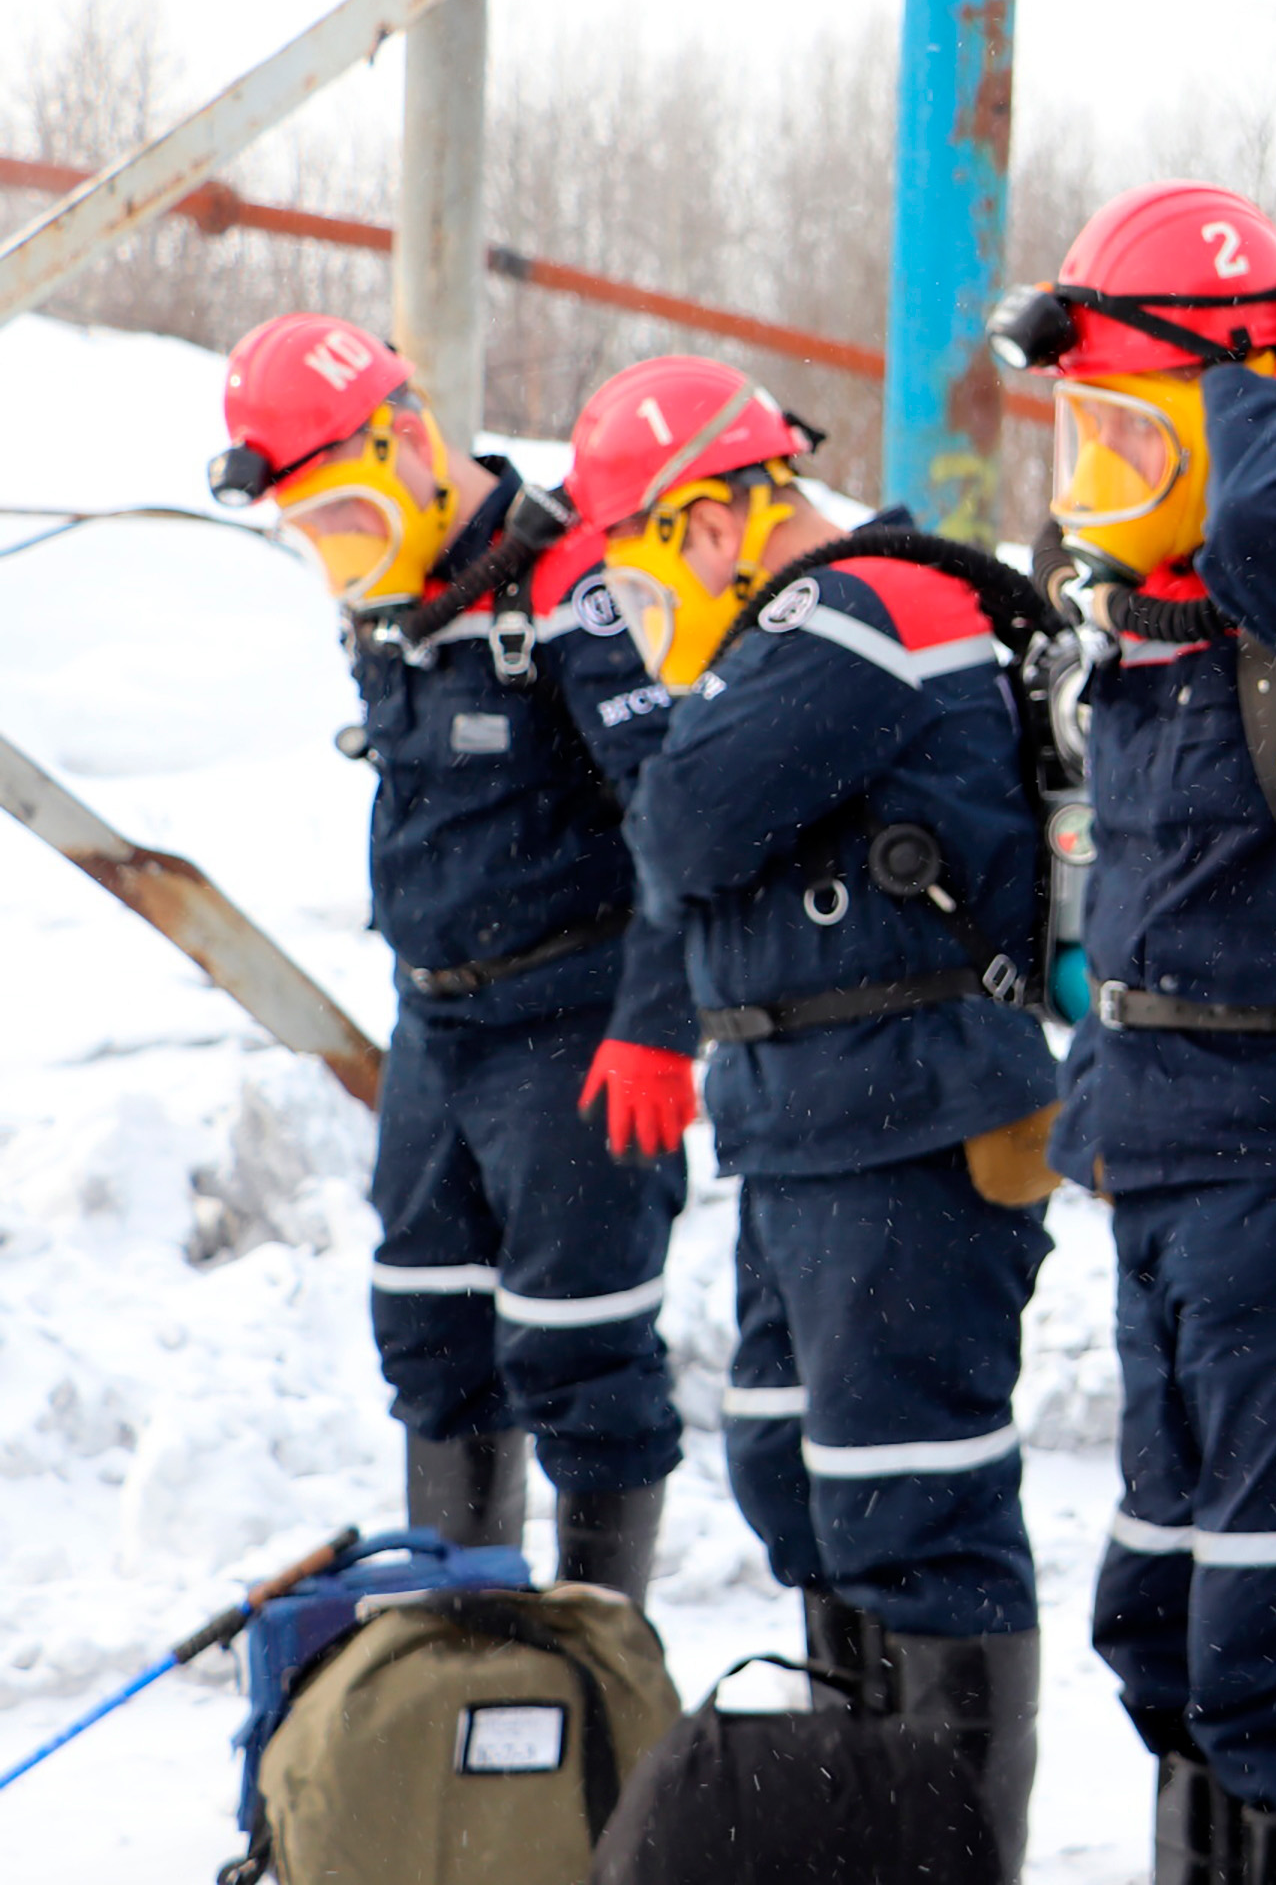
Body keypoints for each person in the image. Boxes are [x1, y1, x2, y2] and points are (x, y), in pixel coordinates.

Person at [989, 181, 1276, 1885]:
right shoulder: (1144, 633)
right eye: (1080, 434)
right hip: (1172, 1173)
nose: (1097, 479)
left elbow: (1267, 517)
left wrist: (1260, 365)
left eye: (1134, 432)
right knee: (1165, 1624)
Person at [573, 355, 1061, 1876]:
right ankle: (866, 1837)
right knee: (803, 1482)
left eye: (651, 570)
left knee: (916, 1514)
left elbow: (686, 826)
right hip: (809, 1120)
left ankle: (947, 1853)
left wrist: (676, 732)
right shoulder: (792, 643)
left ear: (717, 522)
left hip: (908, 1119)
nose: (649, 620)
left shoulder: (864, 611)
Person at [209, 314, 692, 1603]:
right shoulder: (392, 606)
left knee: (581, 1351)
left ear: (408, 440)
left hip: (575, 1022)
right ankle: (466, 1660)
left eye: (353, 519)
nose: (345, 559)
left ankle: (598, 1666)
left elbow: (679, 823)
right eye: (318, 538)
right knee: (430, 1333)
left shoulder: (572, 587)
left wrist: (657, 1022)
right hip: (439, 1026)